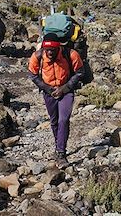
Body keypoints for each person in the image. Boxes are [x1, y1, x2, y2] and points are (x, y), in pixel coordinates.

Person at [28, 37, 85, 165]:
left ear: (58, 48)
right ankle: (58, 142)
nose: (50, 53)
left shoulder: (71, 54)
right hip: (48, 92)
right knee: (54, 121)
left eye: (53, 50)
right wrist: (47, 88)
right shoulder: (37, 56)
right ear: (43, 48)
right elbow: (32, 74)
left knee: (63, 120)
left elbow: (80, 72)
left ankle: (61, 152)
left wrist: (64, 88)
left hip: (66, 91)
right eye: (47, 50)